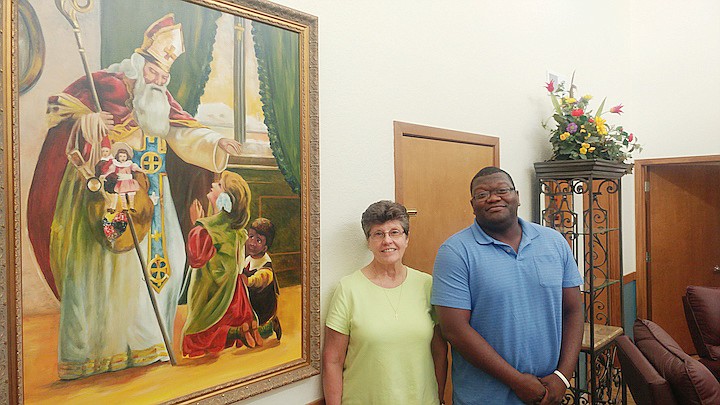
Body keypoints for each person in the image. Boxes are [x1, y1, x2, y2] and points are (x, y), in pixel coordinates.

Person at [26, 14, 244, 379]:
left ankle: (149, 344)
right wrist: (87, 122)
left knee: (167, 265)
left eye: (165, 75)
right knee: (106, 276)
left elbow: (183, 134)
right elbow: (60, 115)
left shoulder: (159, 103)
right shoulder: (104, 87)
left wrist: (215, 141)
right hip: (110, 198)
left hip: (154, 199)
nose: (160, 80)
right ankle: (100, 352)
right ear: (140, 62)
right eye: (155, 71)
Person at [431, 167, 584, 405]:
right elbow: (455, 330)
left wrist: (562, 377)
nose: (493, 198)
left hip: (548, 392)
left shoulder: (554, 242)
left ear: (517, 196)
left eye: (502, 190)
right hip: (483, 398)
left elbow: (573, 310)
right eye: (482, 194)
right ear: (472, 204)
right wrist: (518, 382)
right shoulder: (455, 252)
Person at [323, 200, 448, 405]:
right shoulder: (348, 289)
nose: (387, 241)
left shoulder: (427, 284)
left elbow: (439, 350)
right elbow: (333, 360)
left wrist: (439, 398)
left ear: (407, 238)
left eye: (395, 232)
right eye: (378, 234)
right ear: (368, 241)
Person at [182, 171, 262, 356]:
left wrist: (195, 223)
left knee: (196, 339)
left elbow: (196, 259)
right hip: (234, 294)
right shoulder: (235, 228)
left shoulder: (205, 228)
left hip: (214, 294)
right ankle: (252, 330)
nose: (213, 185)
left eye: (219, 185)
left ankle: (233, 333)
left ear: (225, 197)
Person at [242, 217, 282, 340]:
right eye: (251, 237)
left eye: (258, 240)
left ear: (265, 248)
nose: (252, 242)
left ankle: (270, 325)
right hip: (250, 303)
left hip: (262, 307)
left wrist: (249, 281)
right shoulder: (248, 259)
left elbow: (262, 278)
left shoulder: (266, 266)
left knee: (260, 330)